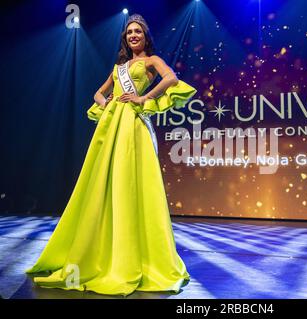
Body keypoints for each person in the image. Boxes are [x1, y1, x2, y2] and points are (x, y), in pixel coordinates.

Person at [26, 14, 197, 296]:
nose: (132, 35)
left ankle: (134, 254)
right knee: (106, 179)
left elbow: (171, 78)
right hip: (113, 123)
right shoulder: (119, 67)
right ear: (125, 38)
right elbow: (97, 93)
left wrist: (144, 98)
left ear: (145, 36)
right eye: (129, 32)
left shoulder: (151, 61)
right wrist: (106, 103)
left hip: (133, 124)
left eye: (137, 31)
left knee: (130, 178)